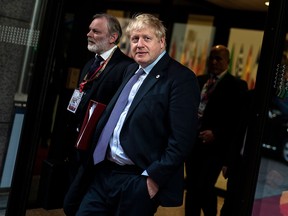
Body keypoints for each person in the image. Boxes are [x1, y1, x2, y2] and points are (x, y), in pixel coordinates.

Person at [63, 13, 200, 216]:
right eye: (135, 39)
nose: (139, 44)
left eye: (147, 38)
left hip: (136, 180)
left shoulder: (180, 78)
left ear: (162, 41)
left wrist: (152, 179)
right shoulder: (131, 71)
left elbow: (182, 139)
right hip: (104, 173)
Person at [49, 13, 134, 184]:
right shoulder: (90, 64)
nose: (89, 34)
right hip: (75, 141)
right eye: (89, 30)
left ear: (113, 37)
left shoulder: (126, 67)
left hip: (97, 147)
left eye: (96, 31)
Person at [185, 45, 248, 216]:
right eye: (211, 58)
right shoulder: (199, 80)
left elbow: (237, 121)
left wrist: (216, 133)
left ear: (228, 61)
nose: (214, 62)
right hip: (193, 144)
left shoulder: (237, 86)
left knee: (204, 187)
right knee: (191, 187)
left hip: (215, 148)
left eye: (218, 58)